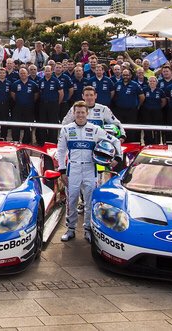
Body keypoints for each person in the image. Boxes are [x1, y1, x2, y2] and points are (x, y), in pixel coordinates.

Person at [57, 102, 119, 242]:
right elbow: (60, 151)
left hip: (91, 169)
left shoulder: (96, 129)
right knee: (71, 200)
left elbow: (115, 141)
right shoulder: (66, 129)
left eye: (82, 112)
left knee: (89, 201)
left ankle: (88, 229)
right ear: (74, 113)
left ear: (87, 113)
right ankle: (70, 229)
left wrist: (118, 158)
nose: (80, 115)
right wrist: (62, 170)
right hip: (73, 169)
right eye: (77, 112)